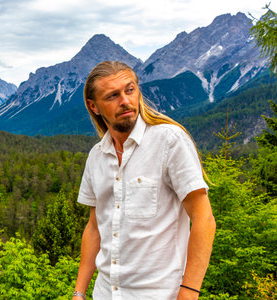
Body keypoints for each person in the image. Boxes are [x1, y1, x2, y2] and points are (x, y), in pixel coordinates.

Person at [72, 61, 216, 300]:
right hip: (105, 294)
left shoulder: (169, 141)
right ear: (94, 106)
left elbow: (204, 219)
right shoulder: (96, 157)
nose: (125, 101)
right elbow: (95, 228)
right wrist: (79, 291)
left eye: (130, 90)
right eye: (112, 96)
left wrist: (189, 292)